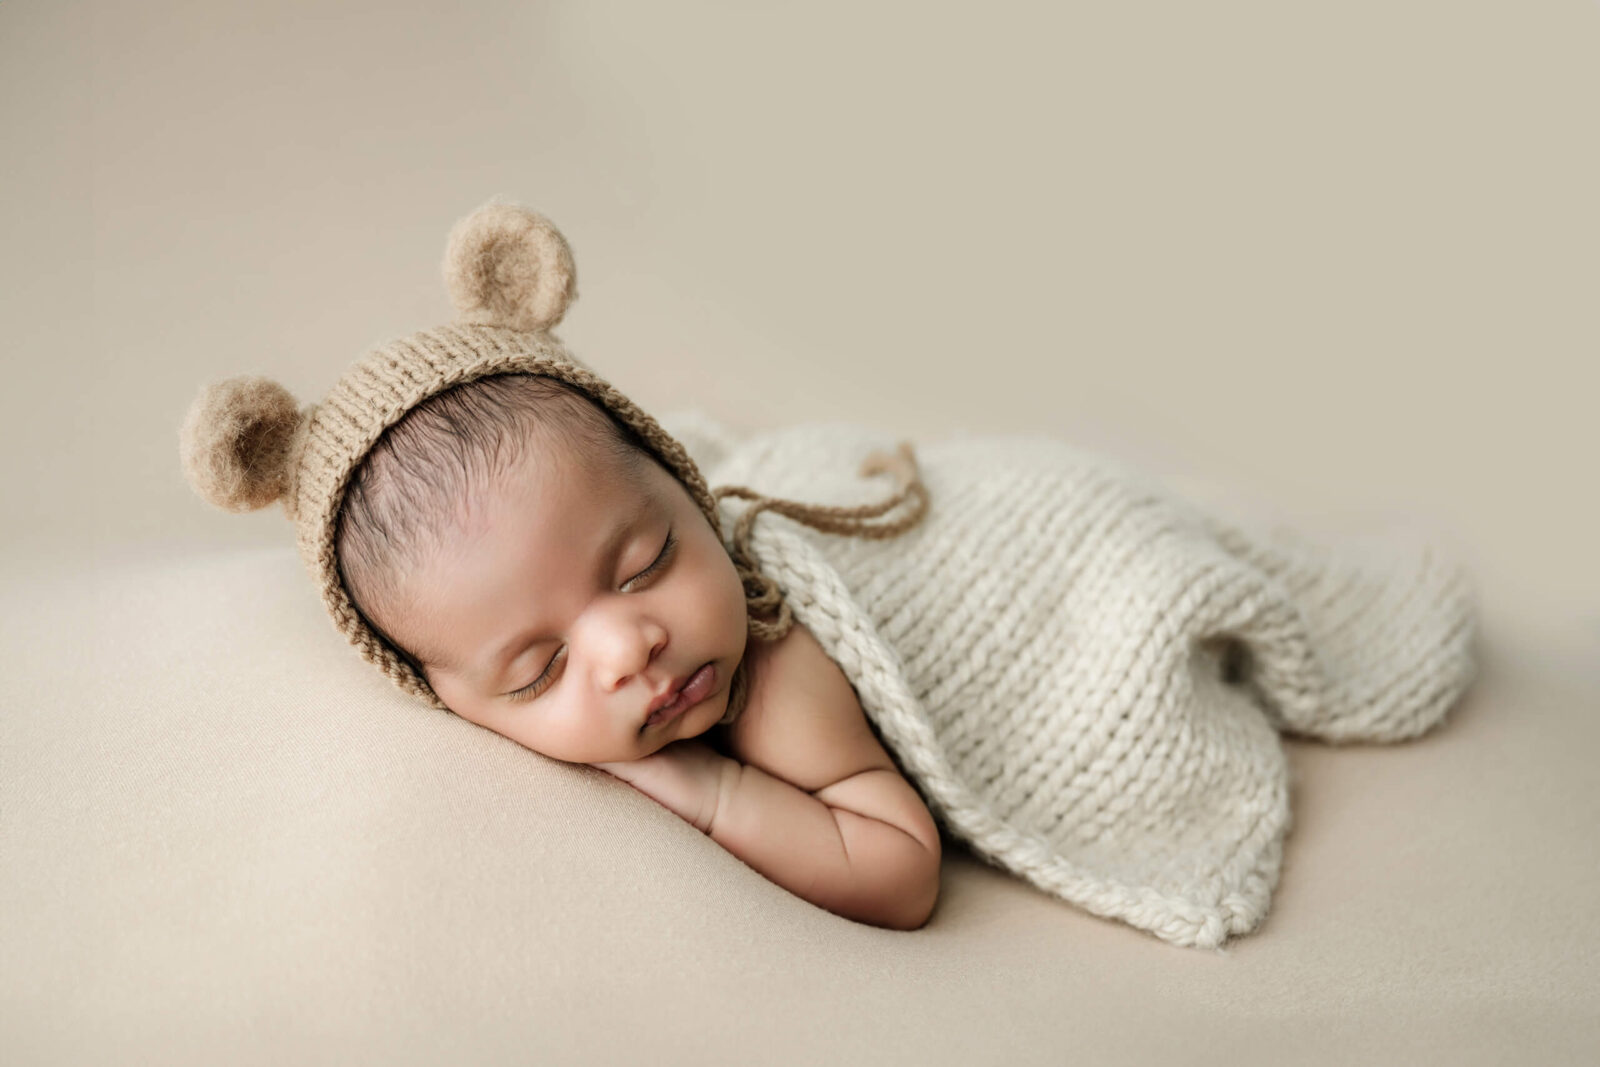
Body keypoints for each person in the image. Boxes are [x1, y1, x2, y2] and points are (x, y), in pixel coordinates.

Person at [180, 198, 1477, 950]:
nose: (627, 648)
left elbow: (898, 868)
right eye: (539, 668)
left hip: (1024, 537)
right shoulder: (564, 641)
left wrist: (705, 790)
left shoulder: (775, 666)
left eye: (644, 562)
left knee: (1133, 537)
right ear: (440, 692)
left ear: (683, 490)